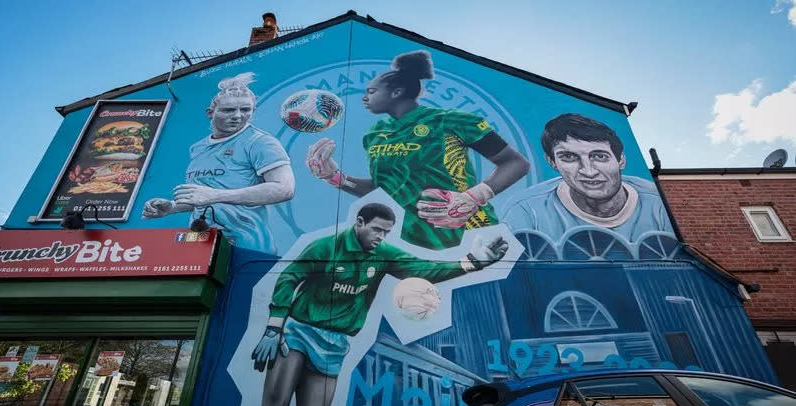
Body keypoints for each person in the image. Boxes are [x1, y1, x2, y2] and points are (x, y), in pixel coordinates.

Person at [190, 202, 509, 406]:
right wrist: (273, 327)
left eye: (387, 232)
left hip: (335, 345)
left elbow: (422, 268)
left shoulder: (382, 253)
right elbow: (289, 278)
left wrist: (472, 262)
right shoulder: (324, 247)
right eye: (377, 230)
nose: (381, 237)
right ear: (359, 222)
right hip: (298, 332)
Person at [305, 50, 529, 251]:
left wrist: (473, 197)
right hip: (413, 246)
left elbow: (515, 163)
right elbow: (384, 188)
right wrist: (335, 178)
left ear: (397, 92)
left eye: (371, 91)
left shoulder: (450, 121)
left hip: (472, 236)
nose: (365, 97)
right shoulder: (374, 134)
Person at [142, 73, 294, 255]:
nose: (238, 116)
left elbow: (284, 188)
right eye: (229, 110)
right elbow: (202, 197)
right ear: (210, 113)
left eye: (246, 110)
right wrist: (172, 207)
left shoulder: (260, 142)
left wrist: (214, 195)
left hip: (246, 246)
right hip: (200, 244)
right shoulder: (197, 148)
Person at [504, 113, 673, 241]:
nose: (589, 171)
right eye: (569, 157)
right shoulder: (526, 210)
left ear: (621, 159)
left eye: (599, 156)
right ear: (552, 162)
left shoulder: (656, 203)